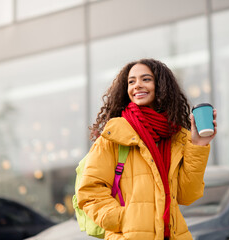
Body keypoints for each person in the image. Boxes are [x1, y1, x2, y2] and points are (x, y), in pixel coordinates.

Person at [77, 58, 217, 240]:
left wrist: (199, 145)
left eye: (146, 79)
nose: (137, 86)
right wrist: (125, 219)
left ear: (161, 85)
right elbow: (89, 193)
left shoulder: (177, 137)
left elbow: (186, 195)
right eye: (131, 81)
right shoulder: (114, 135)